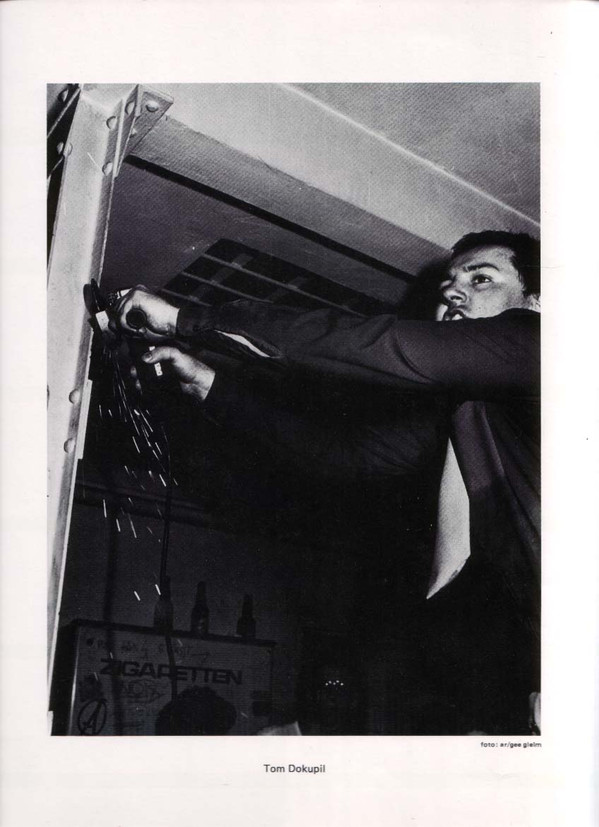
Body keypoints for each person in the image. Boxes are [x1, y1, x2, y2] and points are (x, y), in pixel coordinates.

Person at [114, 230, 540, 734]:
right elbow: (343, 455)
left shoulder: (544, 344)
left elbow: (379, 345)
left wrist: (187, 319)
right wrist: (208, 383)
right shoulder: (468, 410)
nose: (452, 292)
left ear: (536, 302)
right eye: (449, 282)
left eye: (481, 279)